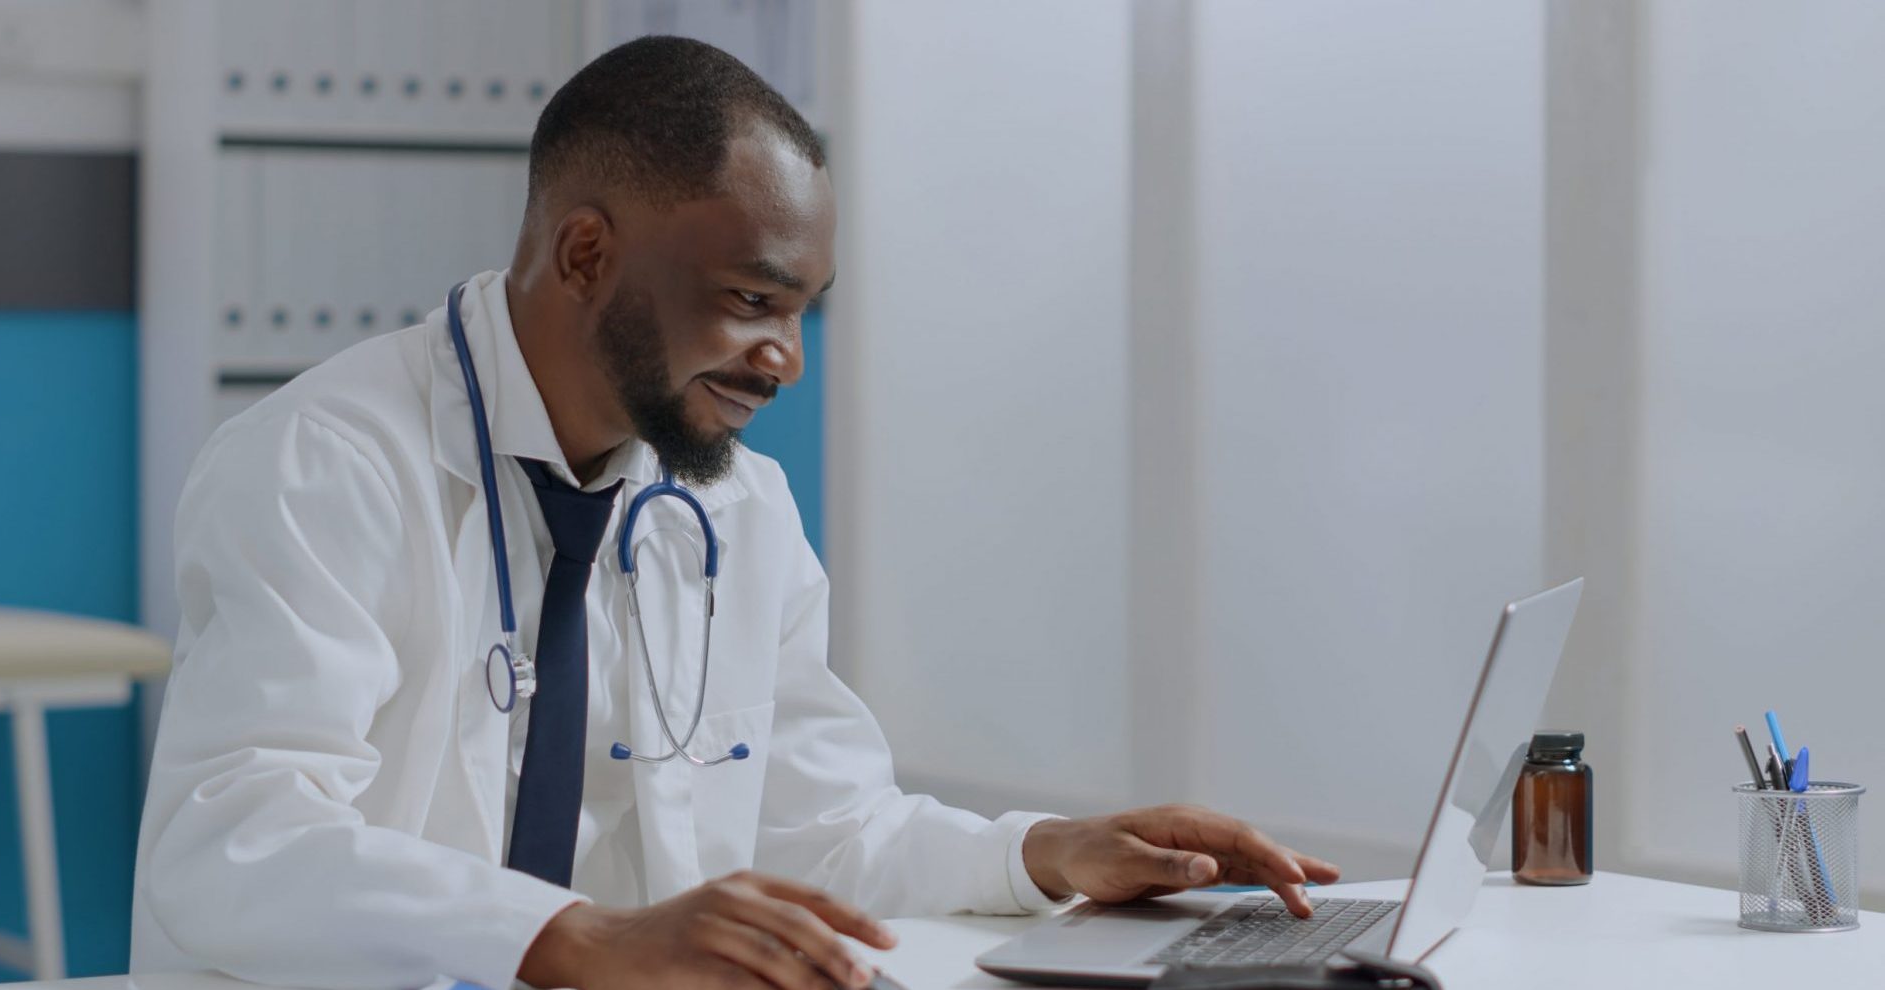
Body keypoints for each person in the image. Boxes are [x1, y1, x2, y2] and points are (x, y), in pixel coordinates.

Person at [130, 36, 1338, 990]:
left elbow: (827, 828)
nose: (786, 360)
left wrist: (1043, 854)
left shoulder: (734, 505)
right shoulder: (324, 465)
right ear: (587, 254)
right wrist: (574, 937)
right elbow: (234, 836)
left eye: (804, 310)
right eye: (752, 301)